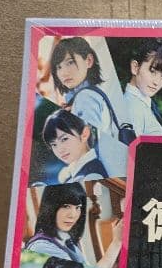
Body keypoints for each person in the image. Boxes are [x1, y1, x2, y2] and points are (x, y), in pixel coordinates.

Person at [49, 37, 129, 174]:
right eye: (59, 67)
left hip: (101, 170)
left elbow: (86, 142)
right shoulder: (87, 94)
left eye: (70, 62)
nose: (63, 72)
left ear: (89, 61)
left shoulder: (85, 97)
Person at [24, 183, 122, 268]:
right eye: (66, 206)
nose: (73, 215)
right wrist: (117, 242)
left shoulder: (67, 240)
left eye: (78, 207)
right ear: (50, 207)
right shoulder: (42, 247)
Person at [121, 38, 162, 137]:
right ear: (135, 67)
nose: (156, 82)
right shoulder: (133, 106)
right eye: (152, 71)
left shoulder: (143, 103)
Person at [41, 109, 109, 184]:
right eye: (54, 144)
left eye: (64, 139)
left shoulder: (91, 175)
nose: (60, 150)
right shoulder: (73, 172)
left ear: (84, 134)